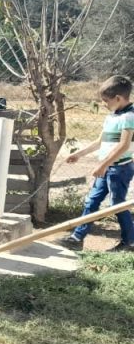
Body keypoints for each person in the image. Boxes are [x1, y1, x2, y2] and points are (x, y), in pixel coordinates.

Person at [59, 74, 134, 252]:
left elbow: (123, 146)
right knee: (91, 201)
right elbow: (100, 142)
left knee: (117, 204)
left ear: (118, 98)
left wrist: (103, 165)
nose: (103, 104)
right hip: (107, 167)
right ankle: (77, 238)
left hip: (119, 169)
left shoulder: (129, 117)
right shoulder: (111, 117)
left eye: (105, 100)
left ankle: (129, 242)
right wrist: (79, 154)